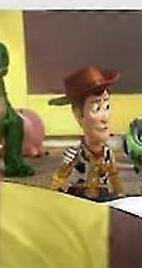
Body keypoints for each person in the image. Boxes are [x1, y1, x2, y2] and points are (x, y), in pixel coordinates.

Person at [49, 65, 124, 199]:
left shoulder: (107, 153)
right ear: (79, 115)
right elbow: (60, 177)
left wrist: (120, 195)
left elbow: (114, 176)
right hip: (80, 198)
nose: (105, 118)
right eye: (96, 109)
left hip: (102, 197)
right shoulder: (75, 153)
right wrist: (51, 196)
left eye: (107, 107)